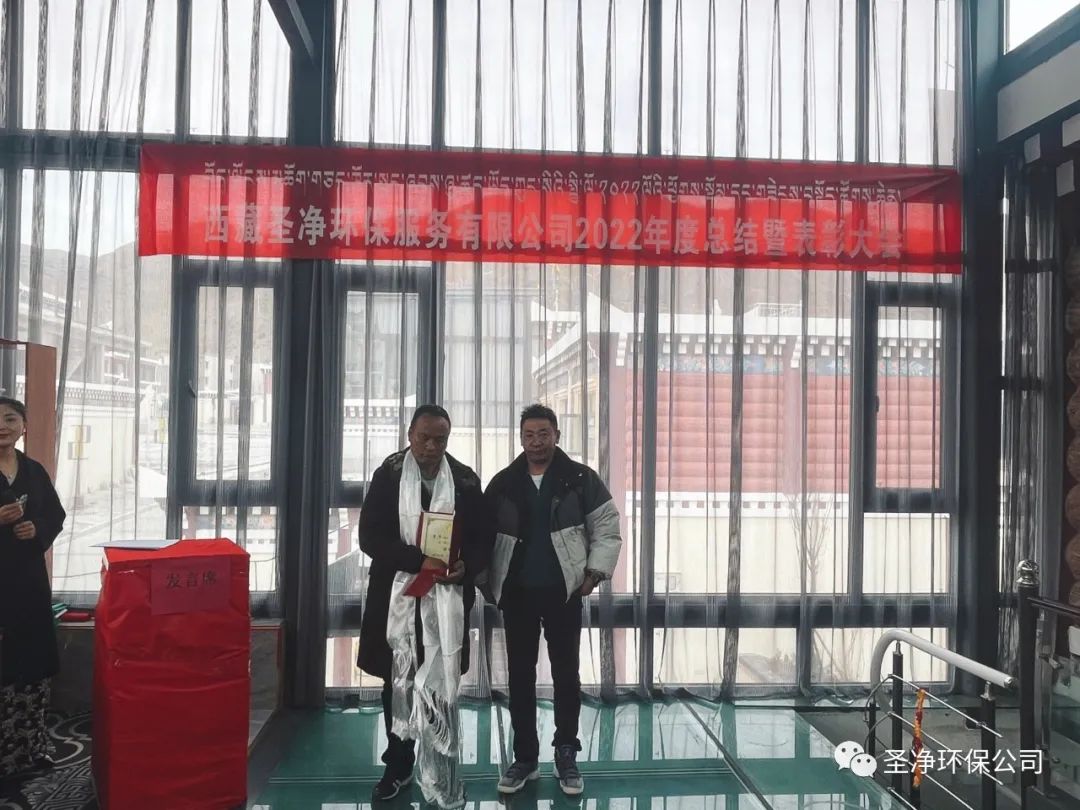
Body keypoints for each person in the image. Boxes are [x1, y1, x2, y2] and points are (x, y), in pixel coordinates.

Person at [356, 405, 493, 808]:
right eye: (424, 438)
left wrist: (467, 566)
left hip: (447, 597)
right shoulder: (389, 475)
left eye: (440, 439)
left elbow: (483, 538)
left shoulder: (464, 480)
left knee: (441, 680)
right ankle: (398, 765)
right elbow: (369, 536)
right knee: (397, 680)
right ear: (410, 435)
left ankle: (441, 766)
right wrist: (419, 561)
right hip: (397, 597)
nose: (431, 446)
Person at [483, 404, 622, 797]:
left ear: (557, 435)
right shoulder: (504, 483)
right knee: (520, 676)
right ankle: (525, 758)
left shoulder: (580, 479)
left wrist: (594, 574)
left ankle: (566, 753)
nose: (536, 442)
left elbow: (607, 527)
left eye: (544, 434)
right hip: (517, 594)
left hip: (564, 593)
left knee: (565, 674)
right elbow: (481, 534)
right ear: (520, 439)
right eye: (529, 435)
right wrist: (483, 580)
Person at [0, 397, 67, 784]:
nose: (3, 426)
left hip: (28, 583)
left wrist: (36, 528)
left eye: (10, 418)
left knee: (32, 663)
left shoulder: (33, 470)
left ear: (23, 426)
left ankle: (30, 747)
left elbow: (54, 514)